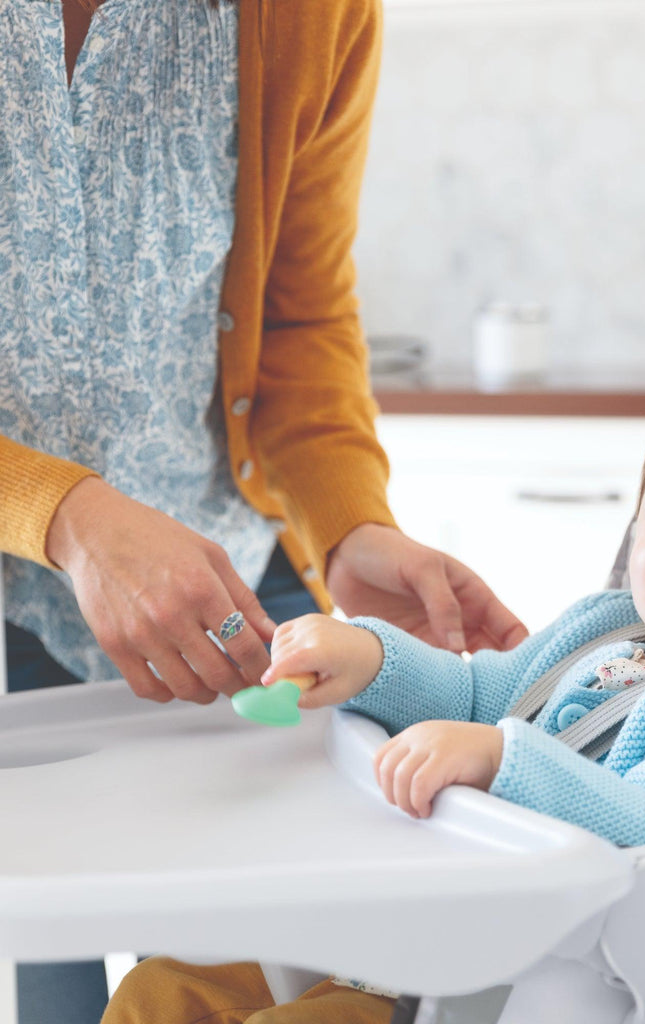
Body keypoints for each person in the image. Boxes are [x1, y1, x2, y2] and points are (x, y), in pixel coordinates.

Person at [100, 361, 645, 1024]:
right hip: (400, 921)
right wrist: (371, 659)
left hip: (500, 980)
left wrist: (500, 762)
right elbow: (480, 690)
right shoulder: (609, 624)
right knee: (160, 990)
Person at [0, 0, 525, 1021]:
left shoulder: (313, 14)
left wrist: (351, 525)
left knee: (252, 954)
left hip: (216, 577)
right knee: (41, 960)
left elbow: (299, 316)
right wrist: (65, 515)